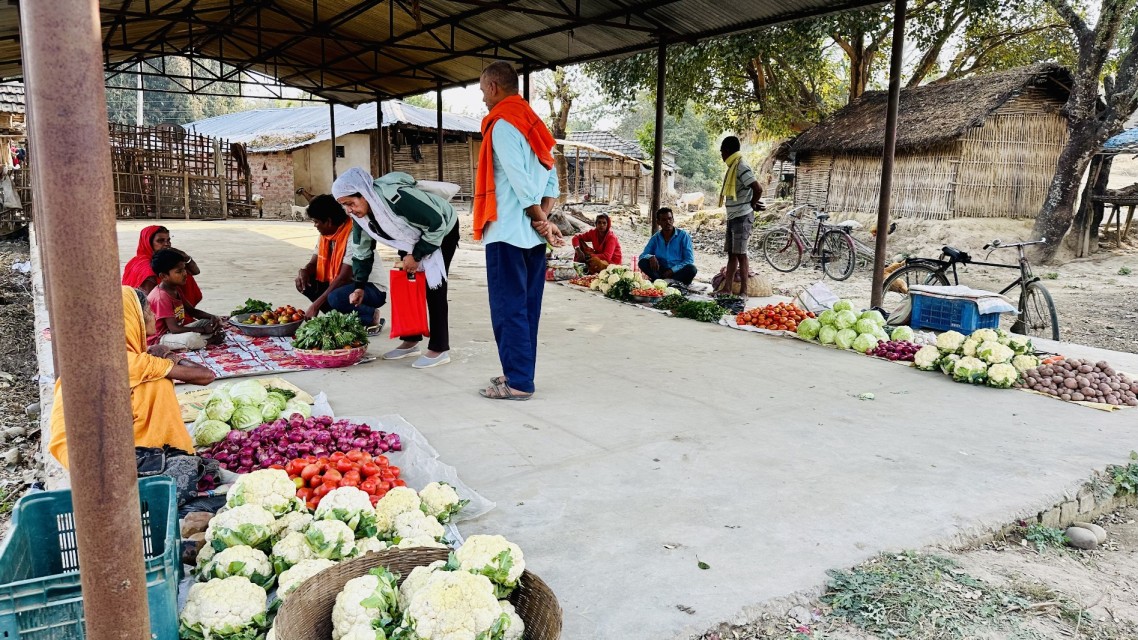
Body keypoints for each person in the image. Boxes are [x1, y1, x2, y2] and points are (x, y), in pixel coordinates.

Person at [49, 286, 216, 469]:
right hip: (103, 462)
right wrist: (168, 355)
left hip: (78, 455)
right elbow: (206, 376)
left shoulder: (91, 355)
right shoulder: (129, 362)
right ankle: (167, 454)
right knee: (157, 383)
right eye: (149, 311)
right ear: (133, 318)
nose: (154, 315)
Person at [474, 61, 563, 401]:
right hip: (532, 238)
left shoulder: (502, 125)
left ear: (494, 87)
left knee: (508, 308)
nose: (483, 99)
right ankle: (519, 373)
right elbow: (550, 176)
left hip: (508, 232)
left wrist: (538, 216)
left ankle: (519, 383)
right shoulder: (533, 124)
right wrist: (545, 218)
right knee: (527, 308)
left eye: (483, 91)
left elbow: (518, 179)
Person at [332, 169, 460, 369]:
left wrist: (417, 255)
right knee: (407, 285)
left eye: (351, 203)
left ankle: (439, 348)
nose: (349, 210)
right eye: (344, 206)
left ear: (364, 193)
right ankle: (411, 340)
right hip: (409, 236)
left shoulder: (396, 198)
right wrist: (359, 285)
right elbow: (362, 251)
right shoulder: (360, 218)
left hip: (443, 229)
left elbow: (436, 223)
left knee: (433, 287)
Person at [296, 194, 386, 328]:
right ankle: (338, 318)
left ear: (328, 221)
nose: (315, 225)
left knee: (335, 297)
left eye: (316, 221)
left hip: (370, 288)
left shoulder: (353, 234)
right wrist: (303, 271)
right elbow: (313, 263)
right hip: (346, 285)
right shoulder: (325, 236)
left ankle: (370, 315)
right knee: (306, 283)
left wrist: (315, 305)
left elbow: (344, 277)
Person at [147, 249, 223, 350]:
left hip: (174, 333)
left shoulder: (174, 289)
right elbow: (174, 329)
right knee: (191, 339)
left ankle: (202, 339)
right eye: (179, 271)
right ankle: (210, 341)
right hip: (160, 338)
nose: (185, 273)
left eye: (184, 269)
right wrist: (203, 330)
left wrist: (213, 317)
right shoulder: (161, 297)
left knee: (210, 322)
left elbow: (192, 311)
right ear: (164, 276)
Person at [716, 136, 763, 294]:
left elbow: (758, 189)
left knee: (741, 255)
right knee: (732, 254)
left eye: (722, 152)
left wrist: (751, 204)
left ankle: (743, 291)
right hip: (733, 216)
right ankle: (727, 289)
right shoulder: (733, 166)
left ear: (727, 151)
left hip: (742, 216)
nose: (721, 155)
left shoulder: (741, 166)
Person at [122, 225, 203, 304]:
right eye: (160, 241)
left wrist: (184, 255)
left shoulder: (165, 258)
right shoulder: (145, 266)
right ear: (148, 243)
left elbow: (195, 271)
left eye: (168, 240)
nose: (166, 244)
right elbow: (149, 304)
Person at [639, 207, 697, 284]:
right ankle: (661, 281)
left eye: (670, 219)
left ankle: (665, 282)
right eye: (664, 220)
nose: (668, 222)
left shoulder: (683, 236)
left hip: (677, 272)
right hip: (660, 272)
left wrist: (673, 270)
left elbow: (689, 259)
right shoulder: (655, 238)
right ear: (658, 222)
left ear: (673, 220)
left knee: (691, 269)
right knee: (642, 262)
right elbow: (642, 255)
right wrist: (650, 257)